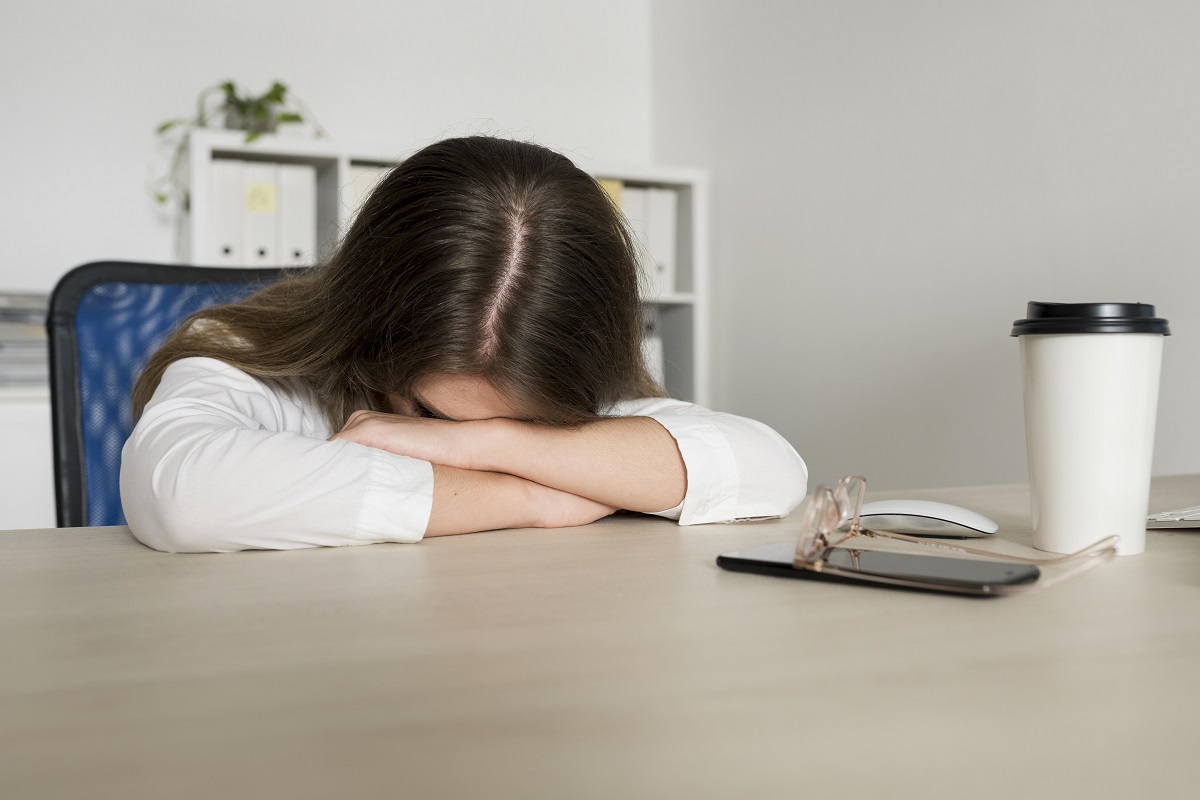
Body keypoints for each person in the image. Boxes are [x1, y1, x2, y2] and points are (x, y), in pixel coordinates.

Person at [120, 136, 807, 553]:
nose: (470, 436)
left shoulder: (565, 381)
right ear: (369, 332)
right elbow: (185, 497)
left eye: (521, 421)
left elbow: (770, 471)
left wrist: (484, 448)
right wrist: (533, 498)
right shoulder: (238, 351)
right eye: (437, 415)